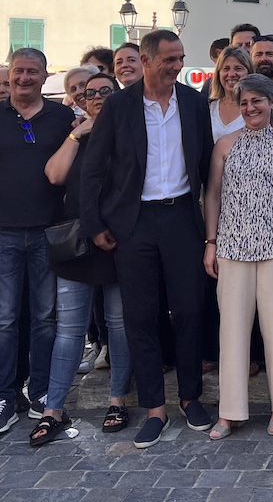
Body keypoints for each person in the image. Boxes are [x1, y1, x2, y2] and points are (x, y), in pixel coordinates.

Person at [79, 29, 216, 448]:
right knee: (140, 315)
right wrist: (95, 223)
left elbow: (208, 166)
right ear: (147, 59)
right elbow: (93, 170)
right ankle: (155, 408)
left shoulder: (193, 103)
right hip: (133, 223)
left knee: (190, 309)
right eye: (170, 59)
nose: (177, 66)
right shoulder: (119, 105)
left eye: (180, 58)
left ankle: (191, 396)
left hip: (181, 220)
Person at [0, 48, 76, 438]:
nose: (24, 78)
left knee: (46, 318)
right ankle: (2, 395)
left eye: (33, 72)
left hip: (49, 230)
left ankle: (42, 389)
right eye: (18, 71)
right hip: (3, 231)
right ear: (8, 75)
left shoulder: (62, 117)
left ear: (46, 76)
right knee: (4, 320)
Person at [36, 73, 133, 446]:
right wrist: (79, 133)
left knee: (118, 325)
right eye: (88, 94)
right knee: (69, 330)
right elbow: (54, 174)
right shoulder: (78, 135)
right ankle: (54, 409)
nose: (94, 98)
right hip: (76, 244)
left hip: (118, 242)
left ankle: (117, 400)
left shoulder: (129, 133)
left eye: (104, 92)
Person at [203, 74, 273, 440]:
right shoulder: (225, 145)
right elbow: (211, 195)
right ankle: (231, 413)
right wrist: (210, 242)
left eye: (257, 101)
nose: (250, 108)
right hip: (232, 246)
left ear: (272, 103)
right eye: (244, 103)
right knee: (233, 330)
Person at [209, 46, 254, 142]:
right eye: (226, 68)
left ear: (249, 73)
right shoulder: (209, 108)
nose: (231, 74)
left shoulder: (256, 108)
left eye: (238, 68)